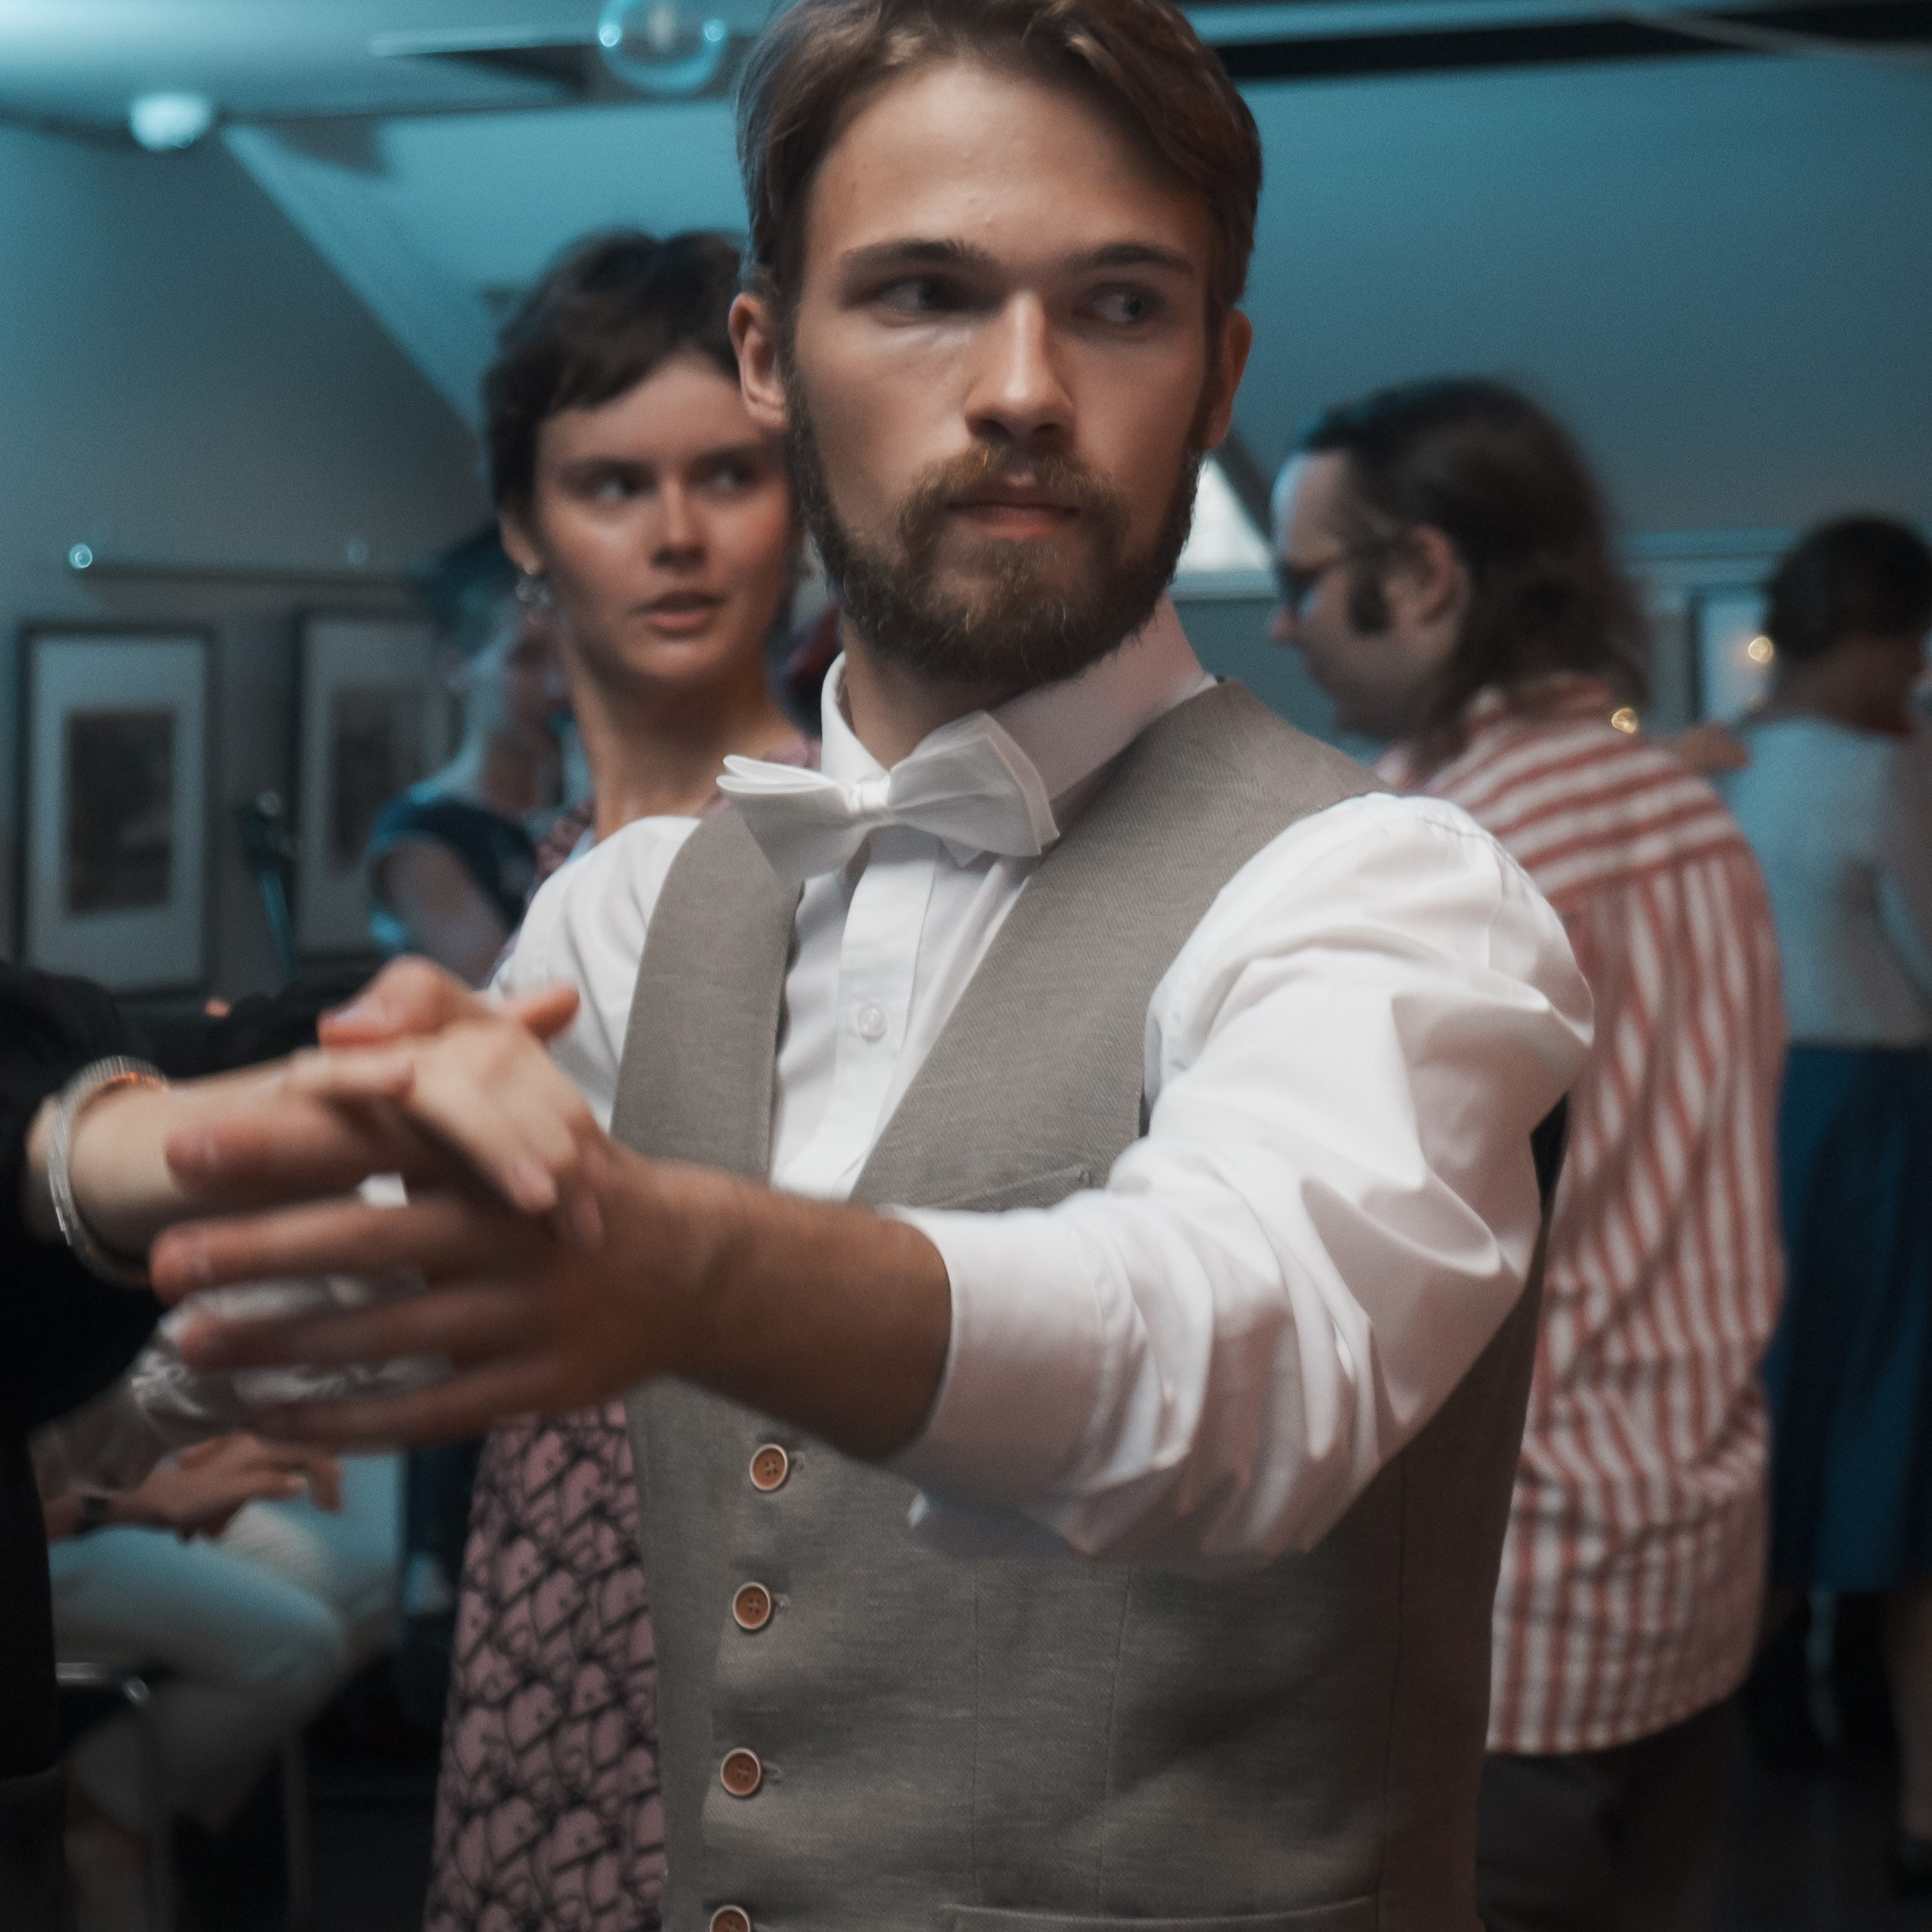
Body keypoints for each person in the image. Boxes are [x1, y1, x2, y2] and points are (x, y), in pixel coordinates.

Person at [35, 6, 1593, 1928]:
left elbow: (1225, 1360)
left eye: (1117, 306)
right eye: (925, 291)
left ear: (1213, 379)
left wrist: (692, 1262)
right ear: (770, 353)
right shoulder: (628, 910)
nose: (1021, 386)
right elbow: (356, 1277)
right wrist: (102, 1414)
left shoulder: (1389, 896)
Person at [1272, 377, 1785, 1932]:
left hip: (1500, 1606)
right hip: (1692, 1557)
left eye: (1304, 581)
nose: (1285, 627)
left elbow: (1333, 1287)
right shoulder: (1688, 810)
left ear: (1421, 575)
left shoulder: (1439, 853)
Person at [420, 225, 811, 1932]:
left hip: (781, 1539)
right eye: (608, 482)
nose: (672, 534)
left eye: (728, 473)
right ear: (522, 520)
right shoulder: (554, 855)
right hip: (552, 1519)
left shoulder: (861, 842)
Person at [1710, 515, 1932, 1894]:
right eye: (1903, 638)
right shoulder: (1885, 769)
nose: (1913, 665)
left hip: (1757, 1114)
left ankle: (1676, 1741)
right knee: (1897, 1433)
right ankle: (1919, 1809)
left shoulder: (1715, 755)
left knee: (1771, 1416)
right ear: (1854, 636)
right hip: (1878, 1117)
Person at [39, 1429, 349, 1932]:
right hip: (38, 1532)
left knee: (346, 1575)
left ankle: (128, 1812)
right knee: (300, 1648)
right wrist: (140, 1498)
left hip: (78, 1478)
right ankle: (83, 1817)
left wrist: (211, 1424)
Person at [367, 531, 568, 986]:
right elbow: (502, 992)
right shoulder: (422, 832)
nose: (558, 686)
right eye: (528, 659)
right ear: (457, 666)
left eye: (568, 657)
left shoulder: (571, 808)